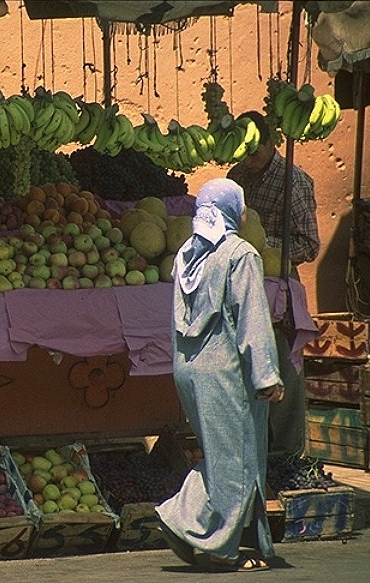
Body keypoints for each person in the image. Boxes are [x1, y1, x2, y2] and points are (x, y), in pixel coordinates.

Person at [155, 178, 284, 572]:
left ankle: (193, 523)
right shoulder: (240, 254)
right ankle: (213, 544)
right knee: (238, 457)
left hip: (190, 369)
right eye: (242, 208)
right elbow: (253, 318)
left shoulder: (187, 254)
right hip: (225, 370)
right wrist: (267, 375)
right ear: (233, 212)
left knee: (221, 454)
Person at [228, 110, 320, 458]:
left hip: (278, 284)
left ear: (270, 144)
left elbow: (309, 244)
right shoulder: (237, 176)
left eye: (254, 152)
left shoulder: (292, 181)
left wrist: (265, 249)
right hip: (240, 282)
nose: (248, 160)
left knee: (281, 366)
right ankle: (253, 447)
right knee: (244, 365)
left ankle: (286, 454)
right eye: (242, 152)